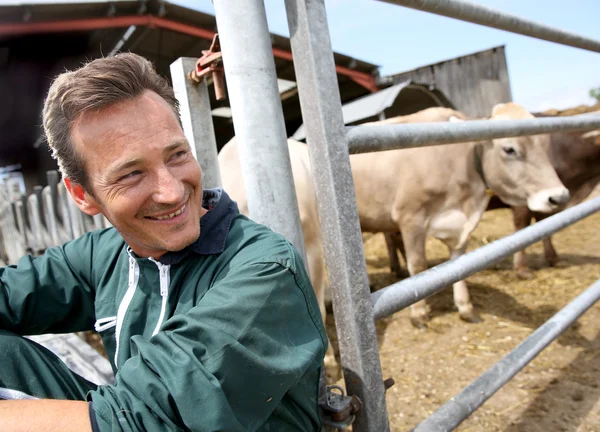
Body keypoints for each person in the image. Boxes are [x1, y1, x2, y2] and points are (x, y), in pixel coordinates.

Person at [0, 52, 327, 431]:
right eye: (132, 174)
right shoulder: (102, 255)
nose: (171, 192)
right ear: (82, 195)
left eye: (177, 155)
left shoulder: (263, 269)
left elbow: (142, 421)